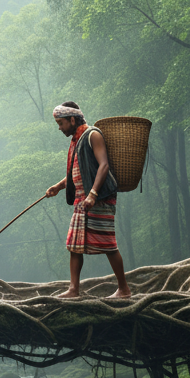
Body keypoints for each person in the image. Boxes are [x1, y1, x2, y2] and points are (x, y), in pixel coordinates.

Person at [44, 102, 131, 299]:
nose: (59, 128)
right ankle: (74, 290)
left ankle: (124, 289)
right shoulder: (76, 141)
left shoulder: (92, 135)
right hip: (81, 201)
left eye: (61, 123)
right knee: (74, 245)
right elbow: (80, 172)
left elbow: (103, 166)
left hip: (99, 198)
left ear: (72, 120)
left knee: (108, 244)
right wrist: (58, 187)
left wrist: (93, 194)